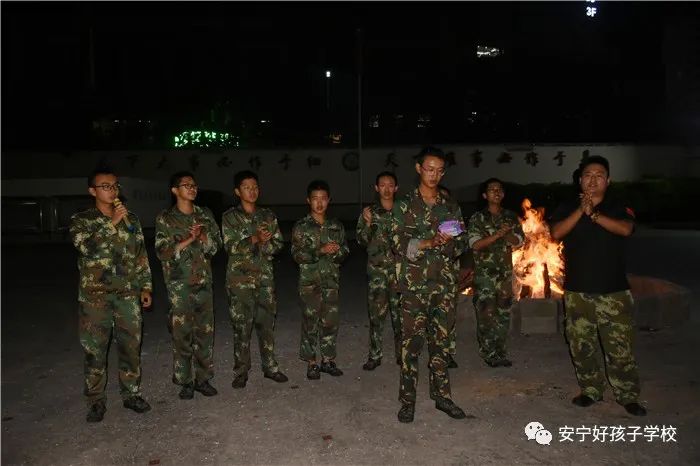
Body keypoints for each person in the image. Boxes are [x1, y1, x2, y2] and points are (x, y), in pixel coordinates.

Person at [551, 155, 646, 417]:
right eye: (588, 176)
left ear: (608, 180)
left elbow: (625, 229)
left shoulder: (618, 205)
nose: (593, 180)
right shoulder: (568, 206)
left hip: (613, 291)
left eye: (599, 175)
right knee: (581, 345)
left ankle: (627, 395)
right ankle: (591, 389)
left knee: (620, 348)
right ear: (580, 180)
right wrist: (580, 210)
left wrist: (593, 214)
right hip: (577, 291)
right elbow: (557, 233)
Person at [391, 146, 468, 423]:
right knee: (410, 346)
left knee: (441, 345)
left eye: (439, 171)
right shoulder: (404, 204)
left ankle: (442, 396)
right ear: (418, 169)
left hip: (443, 286)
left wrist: (449, 243)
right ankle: (407, 401)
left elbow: (462, 242)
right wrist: (427, 242)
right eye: (429, 169)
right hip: (415, 287)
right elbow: (396, 242)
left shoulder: (450, 205)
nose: (434, 175)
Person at [69, 167, 152, 422]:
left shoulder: (131, 219)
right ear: (92, 191)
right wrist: (111, 223)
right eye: (105, 186)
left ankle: (131, 394)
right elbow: (85, 247)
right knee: (95, 350)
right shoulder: (82, 220)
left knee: (130, 346)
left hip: (127, 293)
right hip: (96, 296)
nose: (112, 190)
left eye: (115, 185)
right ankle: (96, 400)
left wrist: (146, 286)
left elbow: (140, 255)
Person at [155, 171, 222, 399]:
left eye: (194, 185)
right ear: (175, 190)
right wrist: (189, 239)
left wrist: (203, 238)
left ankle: (203, 379)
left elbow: (216, 247)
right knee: (181, 335)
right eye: (186, 185)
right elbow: (162, 252)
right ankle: (185, 381)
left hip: (203, 283)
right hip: (179, 286)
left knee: (205, 333)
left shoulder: (205, 215)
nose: (192, 188)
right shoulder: (166, 218)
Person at [222, 170, 289, 388]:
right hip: (240, 281)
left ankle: (270, 367)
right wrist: (254, 238)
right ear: (237, 191)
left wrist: (266, 243)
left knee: (266, 325)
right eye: (246, 187)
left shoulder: (268, 216)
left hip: (264, 279)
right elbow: (230, 247)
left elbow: (278, 244)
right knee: (242, 327)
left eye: (255, 187)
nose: (252, 191)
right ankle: (241, 371)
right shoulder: (230, 217)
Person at [291, 180, 349, 380]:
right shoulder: (301, 226)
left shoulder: (336, 226)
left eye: (323, 198)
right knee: (310, 322)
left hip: (331, 282)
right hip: (310, 284)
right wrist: (320, 250)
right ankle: (311, 362)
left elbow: (345, 252)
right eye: (315, 198)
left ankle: (328, 360)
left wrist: (337, 252)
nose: (319, 203)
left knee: (330, 322)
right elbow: (296, 255)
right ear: (308, 200)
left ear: (329, 200)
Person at [467, 178, 524, 368]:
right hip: (485, 276)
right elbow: (476, 245)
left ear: (503, 194)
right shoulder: (478, 218)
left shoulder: (510, 217)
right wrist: (498, 235)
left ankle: (500, 351)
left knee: (503, 313)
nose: (496, 192)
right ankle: (488, 352)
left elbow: (519, 241)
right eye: (492, 189)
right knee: (486, 313)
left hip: (504, 275)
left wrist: (507, 234)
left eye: (499, 189)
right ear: (485, 195)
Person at [356, 171, 402, 370]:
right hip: (377, 272)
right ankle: (375, 356)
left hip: (400, 272)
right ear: (376, 188)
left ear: (396, 188)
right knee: (376, 316)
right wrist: (367, 223)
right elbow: (361, 240)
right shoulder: (369, 212)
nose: (386, 189)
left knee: (401, 316)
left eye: (390, 185)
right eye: (382, 185)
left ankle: (402, 354)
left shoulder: (404, 211)